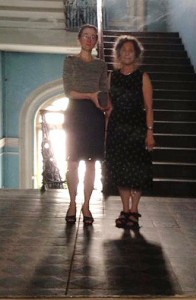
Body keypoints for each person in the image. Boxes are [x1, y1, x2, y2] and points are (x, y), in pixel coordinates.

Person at [104, 35, 155, 229]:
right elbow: (109, 106)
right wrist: (106, 129)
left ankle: (134, 210)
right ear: (118, 53)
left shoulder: (143, 77)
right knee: (120, 169)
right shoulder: (112, 76)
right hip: (117, 128)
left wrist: (150, 132)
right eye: (123, 50)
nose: (127, 53)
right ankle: (125, 209)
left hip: (137, 129)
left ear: (136, 54)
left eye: (130, 51)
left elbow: (149, 108)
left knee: (138, 169)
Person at [63, 24, 109, 225]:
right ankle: (72, 203)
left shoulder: (100, 65)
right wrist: (90, 95)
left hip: (95, 114)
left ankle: (87, 205)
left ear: (96, 41)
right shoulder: (70, 61)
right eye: (86, 36)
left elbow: (104, 90)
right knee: (72, 161)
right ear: (79, 39)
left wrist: (106, 108)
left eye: (93, 37)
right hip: (75, 113)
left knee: (91, 163)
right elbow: (69, 91)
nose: (90, 40)